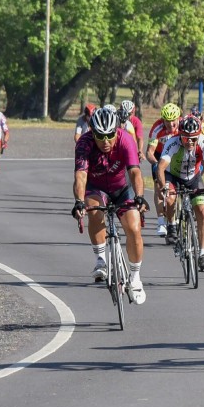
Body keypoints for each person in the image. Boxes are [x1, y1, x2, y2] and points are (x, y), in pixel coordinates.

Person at [71, 106, 149, 302]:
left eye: (110, 135)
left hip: (121, 187)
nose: (105, 141)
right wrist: (79, 202)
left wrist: (139, 196)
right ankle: (101, 259)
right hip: (96, 187)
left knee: (133, 227)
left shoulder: (125, 139)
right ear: (92, 132)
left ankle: (135, 278)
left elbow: (135, 172)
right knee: (94, 211)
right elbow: (80, 177)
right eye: (100, 136)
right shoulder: (84, 143)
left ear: (116, 130)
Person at [156, 115, 204, 271]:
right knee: (170, 198)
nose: (190, 141)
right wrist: (164, 186)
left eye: (193, 138)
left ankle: (202, 254)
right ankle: (171, 225)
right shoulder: (172, 142)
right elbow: (161, 168)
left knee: (203, 211)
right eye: (186, 138)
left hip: (193, 177)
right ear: (180, 135)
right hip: (173, 176)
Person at [145, 103, 183, 237]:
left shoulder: (183, 125)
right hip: (159, 156)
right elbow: (149, 152)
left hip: (176, 157)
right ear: (163, 119)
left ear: (179, 118)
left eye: (174, 120)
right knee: (159, 189)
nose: (171, 124)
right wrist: (156, 164)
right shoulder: (157, 128)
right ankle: (161, 220)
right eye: (167, 121)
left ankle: (174, 217)